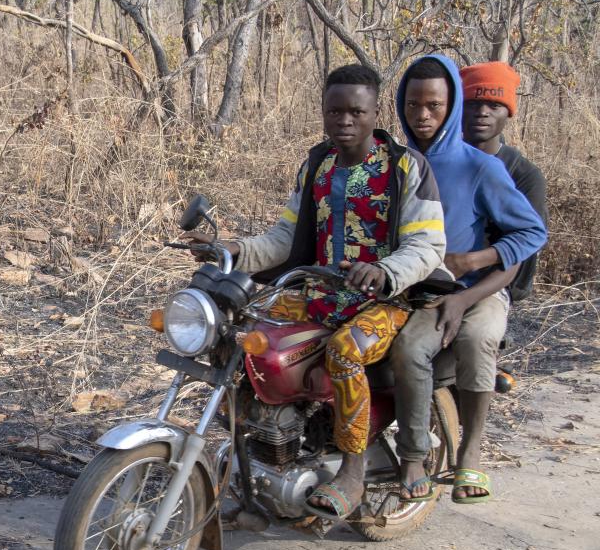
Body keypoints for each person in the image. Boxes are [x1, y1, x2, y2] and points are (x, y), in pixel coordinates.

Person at [185, 64, 446, 518]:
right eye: (335, 112)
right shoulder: (318, 165)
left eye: (355, 112)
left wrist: (384, 271)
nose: (345, 121)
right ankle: (254, 453)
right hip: (321, 291)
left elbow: (427, 244)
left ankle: (353, 469)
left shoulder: (406, 166)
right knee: (237, 326)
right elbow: (284, 238)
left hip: (385, 301)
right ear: (323, 113)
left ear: (374, 112)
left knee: (344, 351)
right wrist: (232, 248)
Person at [390, 56, 547, 504]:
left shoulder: (481, 167)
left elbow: (531, 233)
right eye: (413, 104)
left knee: (478, 339)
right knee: (405, 349)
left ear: (449, 106)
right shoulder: (397, 162)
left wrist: (473, 262)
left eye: (434, 106)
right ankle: (412, 454)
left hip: (478, 291)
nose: (422, 115)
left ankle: (471, 451)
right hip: (422, 291)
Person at [460, 61, 548, 303]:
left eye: (495, 105)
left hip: (494, 283)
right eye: (473, 104)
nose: (482, 112)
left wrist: (508, 292)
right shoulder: (438, 162)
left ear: (508, 112)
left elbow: (528, 244)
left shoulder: (524, 174)